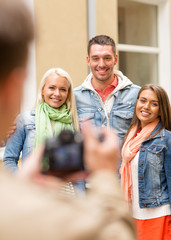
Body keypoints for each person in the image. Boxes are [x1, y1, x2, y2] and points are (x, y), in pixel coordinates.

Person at [0, 0, 136, 239]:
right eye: (95, 58)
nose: (57, 94)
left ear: (115, 58)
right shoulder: (32, 117)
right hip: (72, 192)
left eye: (62, 90)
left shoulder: (133, 95)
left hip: (93, 189)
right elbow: (117, 233)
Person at [3, 67, 79, 172]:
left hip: (67, 187)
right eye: (52, 88)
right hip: (33, 186)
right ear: (43, 90)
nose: (57, 93)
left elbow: (77, 168)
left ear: (67, 93)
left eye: (62, 89)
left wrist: (79, 189)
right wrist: (23, 183)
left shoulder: (73, 122)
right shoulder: (24, 120)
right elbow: (9, 160)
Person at [120, 84, 171, 240]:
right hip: (132, 215)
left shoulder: (166, 138)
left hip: (158, 216)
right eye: (143, 100)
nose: (146, 106)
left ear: (161, 109)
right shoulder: (131, 137)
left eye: (154, 103)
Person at [74, 35, 140, 144]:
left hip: (124, 161)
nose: (101, 64)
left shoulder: (136, 94)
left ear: (115, 59)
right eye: (95, 58)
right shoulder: (75, 97)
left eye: (107, 58)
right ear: (88, 60)